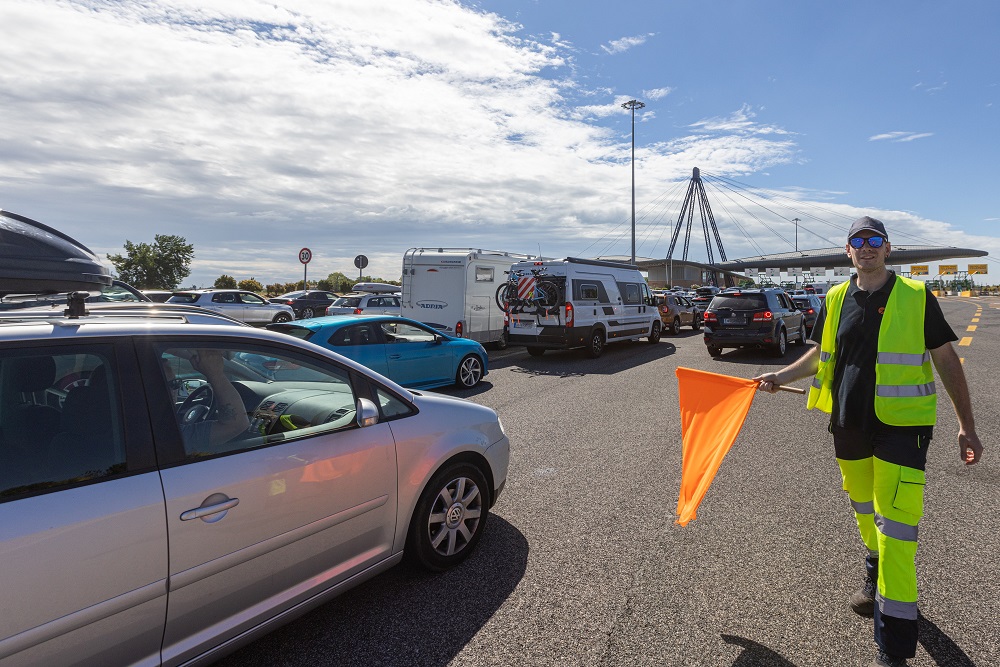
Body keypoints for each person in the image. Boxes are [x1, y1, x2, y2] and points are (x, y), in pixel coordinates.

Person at [752, 216, 983, 667]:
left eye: (875, 240)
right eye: (859, 241)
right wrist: (779, 376)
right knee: (863, 509)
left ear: (888, 248)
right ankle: (873, 571)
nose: (867, 247)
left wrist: (966, 425)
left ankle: (893, 648)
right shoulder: (836, 298)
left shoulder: (916, 297)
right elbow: (820, 354)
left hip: (902, 430)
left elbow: (946, 359)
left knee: (897, 532)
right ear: (848, 251)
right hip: (848, 424)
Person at [162, 349, 250, 452]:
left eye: (177, 382)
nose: (176, 388)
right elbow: (236, 425)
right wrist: (216, 374)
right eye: (173, 383)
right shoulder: (167, 435)